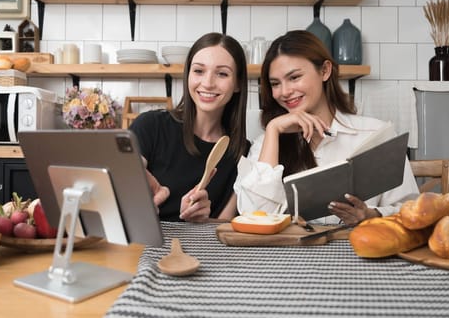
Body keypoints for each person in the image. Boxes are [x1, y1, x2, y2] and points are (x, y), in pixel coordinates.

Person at [234, 30, 418, 226]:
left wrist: (370, 215)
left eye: (294, 77)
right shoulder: (266, 144)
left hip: (357, 251)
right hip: (287, 256)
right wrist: (272, 130)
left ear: (325, 71)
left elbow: (411, 209)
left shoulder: (376, 135)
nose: (285, 92)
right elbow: (254, 218)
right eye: (275, 83)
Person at [130, 32, 249, 222]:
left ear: (238, 84)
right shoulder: (151, 126)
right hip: (141, 246)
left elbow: (226, 226)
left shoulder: (241, 151)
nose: (208, 83)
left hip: (201, 250)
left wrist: (202, 219)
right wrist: (132, 189)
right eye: (199, 71)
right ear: (188, 76)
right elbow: (124, 179)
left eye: (222, 74)